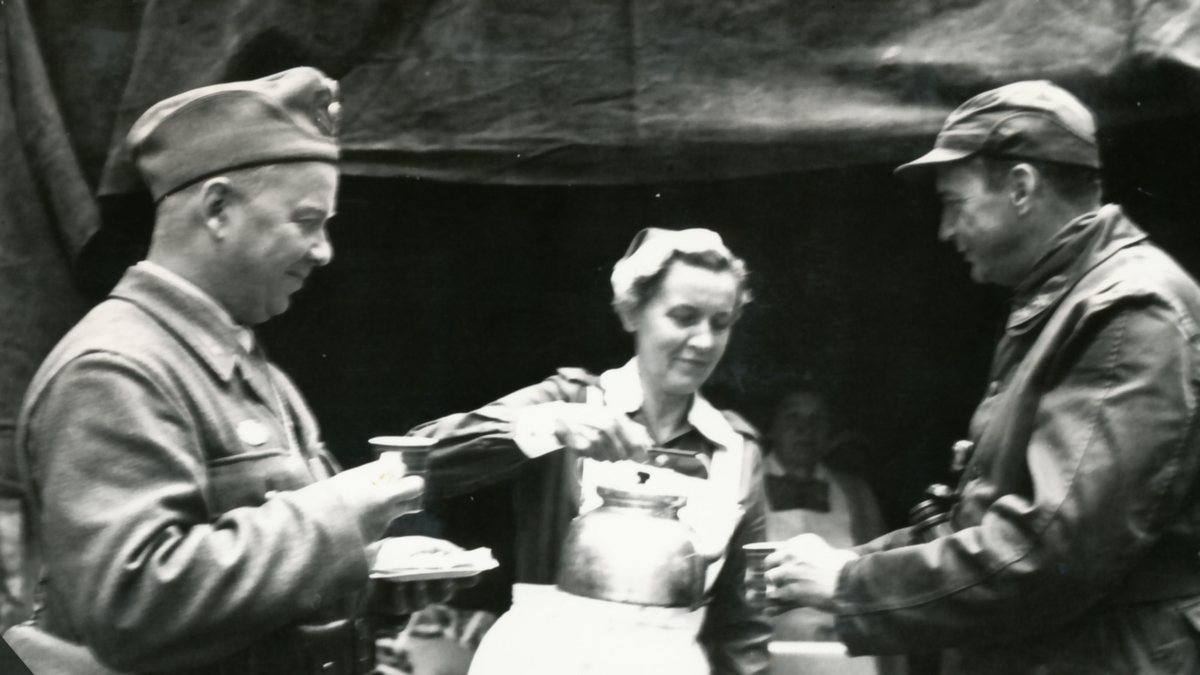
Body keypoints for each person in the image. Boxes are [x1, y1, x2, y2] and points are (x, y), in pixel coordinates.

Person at [5, 67, 465, 675]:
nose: (324, 250)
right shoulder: (113, 370)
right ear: (217, 207)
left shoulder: (233, 357)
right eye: (306, 221)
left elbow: (244, 586)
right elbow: (131, 608)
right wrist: (340, 515)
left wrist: (365, 570)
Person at [761, 80, 1200, 674]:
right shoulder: (1065, 304)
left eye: (954, 202)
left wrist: (851, 581)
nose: (944, 230)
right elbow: (986, 521)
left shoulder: (1124, 310)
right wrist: (848, 562)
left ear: (1021, 187)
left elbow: (1047, 552)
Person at [409, 228, 771, 675]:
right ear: (632, 312)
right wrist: (547, 425)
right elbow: (418, 459)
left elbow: (741, 627)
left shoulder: (735, 449)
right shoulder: (570, 403)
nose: (703, 340)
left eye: (720, 322)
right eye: (683, 316)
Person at [763, 390, 885, 642]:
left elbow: (879, 579)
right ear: (772, 427)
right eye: (792, 417)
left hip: (843, 655)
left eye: (817, 420)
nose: (805, 429)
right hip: (765, 652)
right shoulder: (743, 488)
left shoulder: (856, 494)